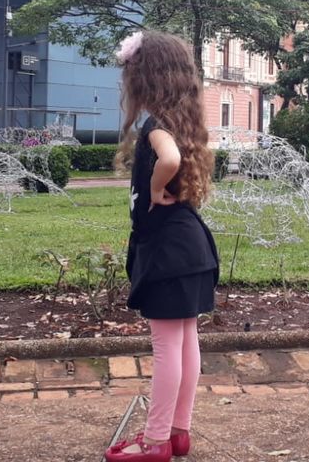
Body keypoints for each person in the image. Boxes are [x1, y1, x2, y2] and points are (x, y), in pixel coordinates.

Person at [106, 31, 220, 462]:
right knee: (186, 341)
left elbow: (168, 160)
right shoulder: (180, 123)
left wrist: (154, 188)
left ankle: (154, 442)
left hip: (168, 252)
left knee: (167, 346)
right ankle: (178, 432)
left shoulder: (156, 127)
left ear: (145, 78)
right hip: (190, 249)